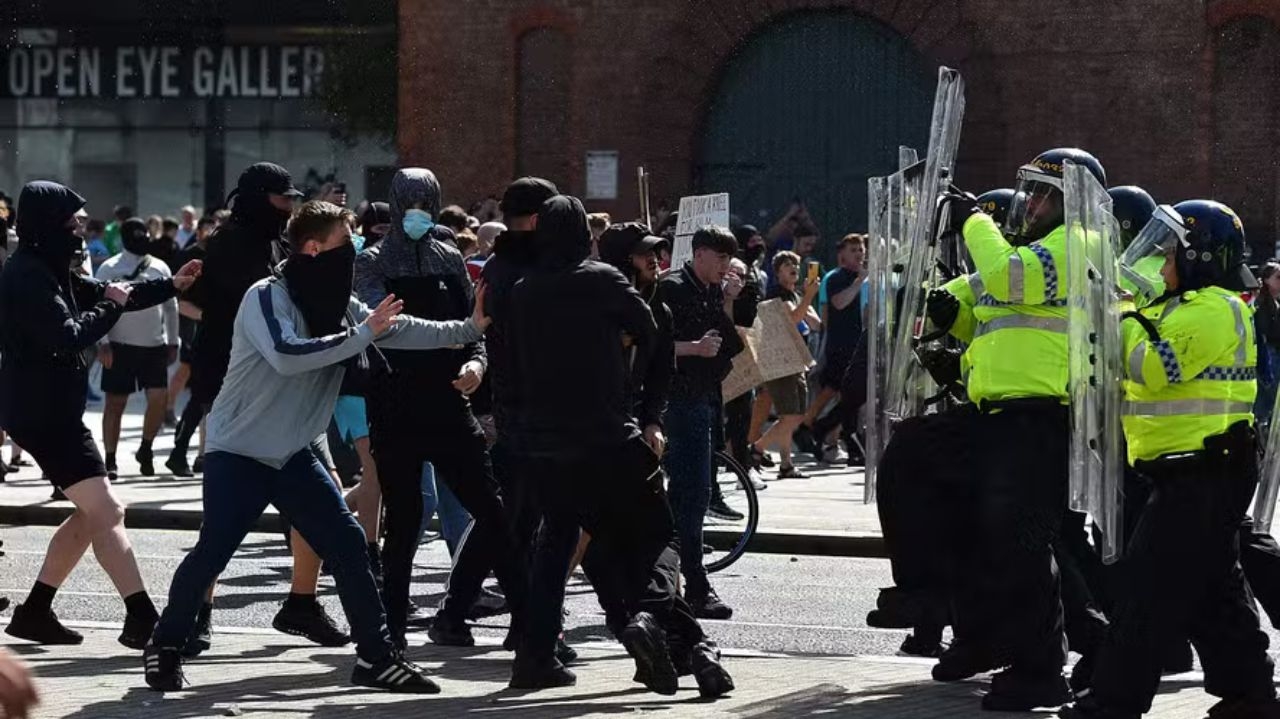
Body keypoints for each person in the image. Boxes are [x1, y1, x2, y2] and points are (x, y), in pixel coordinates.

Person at [142, 200, 487, 694]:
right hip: (239, 451)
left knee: (349, 545)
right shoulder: (266, 296)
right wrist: (362, 335)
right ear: (313, 248)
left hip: (294, 453)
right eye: (348, 244)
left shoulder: (338, 302)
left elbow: (397, 329)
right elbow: (287, 356)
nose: (357, 252)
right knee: (214, 550)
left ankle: (376, 658)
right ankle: (166, 644)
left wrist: (468, 329)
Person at [508, 198, 733, 698]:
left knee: (562, 547)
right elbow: (650, 331)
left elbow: (512, 362)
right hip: (608, 434)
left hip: (545, 441)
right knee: (660, 536)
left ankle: (536, 657)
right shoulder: (601, 281)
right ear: (584, 238)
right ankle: (662, 628)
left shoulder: (525, 289)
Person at [1065, 201, 1279, 719]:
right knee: (1211, 588)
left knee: (1146, 586)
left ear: (1199, 256)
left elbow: (1154, 367)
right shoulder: (1177, 308)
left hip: (1206, 468)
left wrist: (1119, 316)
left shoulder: (1217, 307)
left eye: (1168, 257)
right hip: (1185, 469)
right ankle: (1250, 693)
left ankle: (1115, 702)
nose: (1160, 268)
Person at [934, 149, 1106, 711]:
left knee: (1026, 546)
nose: (1030, 204)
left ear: (1072, 201)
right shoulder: (1037, 249)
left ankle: (1041, 669)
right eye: (1028, 192)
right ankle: (988, 637)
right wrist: (947, 314)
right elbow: (1000, 321)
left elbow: (1010, 282)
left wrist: (973, 221)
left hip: (1039, 415)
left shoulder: (1077, 241)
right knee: (992, 535)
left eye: (1042, 194)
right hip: (1003, 413)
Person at [0, 181, 199, 649]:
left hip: (54, 411)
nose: (79, 229)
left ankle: (35, 611)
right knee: (107, 510)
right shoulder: (27, 275)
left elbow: (115, 292)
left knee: (98, 513)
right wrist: (110, 306)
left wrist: (172, 284)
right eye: (71, 222)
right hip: (40, 412)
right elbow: (69, 334)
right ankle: (142, 618)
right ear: (49, 225)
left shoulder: (50, 268)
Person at [169, 162, 346, 653]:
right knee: (221, 520)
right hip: (238, 391)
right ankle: (198, 614)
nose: (289, 206)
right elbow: (192, 299)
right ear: (257, 198)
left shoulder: (277, 243)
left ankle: (302, 602)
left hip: (288, 391)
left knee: (323, 495)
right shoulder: (229, 244)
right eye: (281, 198)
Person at [355, 168, 526, 649]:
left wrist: (475, 363)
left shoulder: (451, 258)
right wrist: (465, 338)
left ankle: (528, 622)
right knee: (405, 519)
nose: (415, 213)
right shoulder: (370, 262)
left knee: (492, 512)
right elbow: (385, 326)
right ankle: (389, 628)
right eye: (407, 203)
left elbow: (479, 325)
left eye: (423, 203)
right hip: (395, 402)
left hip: (450, 401)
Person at [660, 225, 745, 619]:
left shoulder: (711, 290)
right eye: (720, 258)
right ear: (699, 254)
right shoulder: (672, 288)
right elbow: (649, 344)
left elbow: (731, 342)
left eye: (730, 258)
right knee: (689, 496)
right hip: (676, 401)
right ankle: (692, 585)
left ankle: (681, 583)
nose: (726, 266)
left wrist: (727, 301)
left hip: (703, 399)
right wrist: (693, 349)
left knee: (693, 495)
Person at [94, 218, 180, 478]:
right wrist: (103, 342)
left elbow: (171, 306)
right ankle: (110, 459)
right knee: (115, 404)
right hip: (119, 346)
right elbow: (98, 308)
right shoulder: (110, 267)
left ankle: (146, 447)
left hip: (154, 345)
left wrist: (173, 340)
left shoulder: (160, 266)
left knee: (158, 399)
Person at [753, 251, 821, 479]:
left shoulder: (794, 295)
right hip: (780, 361)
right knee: (791, 415)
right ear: (777, 270)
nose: (793, 267)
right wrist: (808, 297)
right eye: (787, 265)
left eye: (796, 264)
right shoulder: (776, 295)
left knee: (792, 416)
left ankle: (786, 464)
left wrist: (807, 296)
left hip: (796, 360)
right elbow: (792, 319)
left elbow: (816, 323)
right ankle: (758, 448)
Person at [800, 234, 866, 462]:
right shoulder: (836, 277)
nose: (859, 254)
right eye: (854, 250)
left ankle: (825, 433)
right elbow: (837, 304)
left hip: (855, 345)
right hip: (839, 346)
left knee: (844, 396)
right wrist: (858, 282)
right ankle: (810, 426)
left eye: (861, 249)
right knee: (834, 391)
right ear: (842, 255)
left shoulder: (860, 277)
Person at [165, 216, 215, 432]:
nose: (212, 232)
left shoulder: (219, 254)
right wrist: (200, 315)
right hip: (190, 319)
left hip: (210, 321)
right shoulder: (188, 255)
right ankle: (168, 409)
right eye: (208, 228)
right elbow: (177, 297)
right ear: (199, 231)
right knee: (186, 370)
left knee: (193, 374)